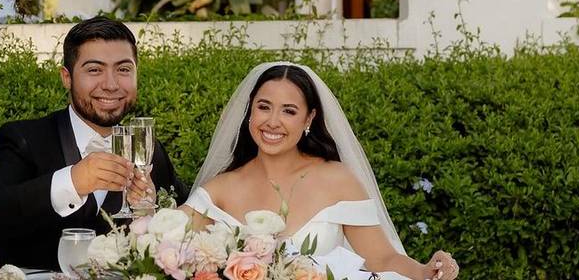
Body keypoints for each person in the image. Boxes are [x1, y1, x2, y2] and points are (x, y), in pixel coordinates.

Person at [183, 63, 459, 280]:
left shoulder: (337, 180)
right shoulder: (218, 191)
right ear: (250, 112)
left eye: (289, 111)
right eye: (264, 107)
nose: (273, 121)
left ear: (309, 118)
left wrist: (426, 271)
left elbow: (382, 259)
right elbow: (162, 245)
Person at [0, 16, 188, 270]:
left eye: (123, 69)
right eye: (94, 70)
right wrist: (72, 182)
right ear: (67, 78)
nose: (111, 84)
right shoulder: (25, 138)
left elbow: (188, 219)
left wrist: (152, 211)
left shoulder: (148, 148)